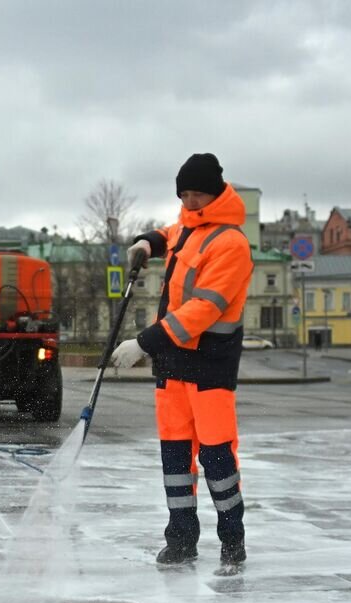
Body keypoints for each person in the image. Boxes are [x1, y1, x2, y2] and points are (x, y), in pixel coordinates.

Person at [111, 153, 254, 567]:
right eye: (185, 194)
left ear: (216, 193)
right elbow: (167, 233)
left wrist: (144, 342)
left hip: (210, 367)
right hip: (173, 367)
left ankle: (232, 540)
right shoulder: (187, 229)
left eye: (198, 194)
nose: (190, 202)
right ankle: (181, 540)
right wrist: (145, 242)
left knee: (216, 458)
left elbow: (203, 309)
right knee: (175, 460)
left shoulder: (231, 243)